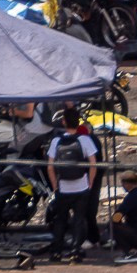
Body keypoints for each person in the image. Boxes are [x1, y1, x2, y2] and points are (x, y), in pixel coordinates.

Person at [45, 109, 99, 262]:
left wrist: (55, 184)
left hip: (63, 187)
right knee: (79, 219)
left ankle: (57, 251)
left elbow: (50, 166)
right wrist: (90, 182)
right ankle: (75, 250)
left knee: (60, 219)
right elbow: (93, 164)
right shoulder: (84, 140)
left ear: (63, 122)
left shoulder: (56, 141)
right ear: (79, 122)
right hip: (81, 186)